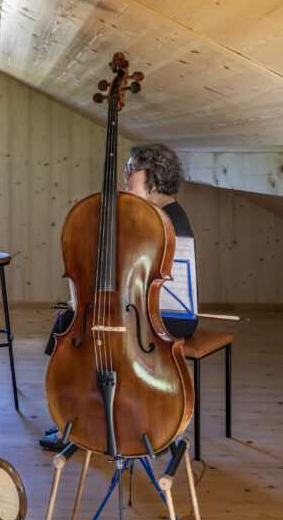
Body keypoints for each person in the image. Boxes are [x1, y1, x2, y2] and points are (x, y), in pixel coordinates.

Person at [40, 142, 197, 451]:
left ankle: (86, 418)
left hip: (166, 317)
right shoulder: (157, 212)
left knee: (80, 324)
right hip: (146, 310)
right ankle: (86, 414)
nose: (125, 176)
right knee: (72, 319)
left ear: (152, 175)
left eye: (130, 170)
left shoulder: (164, 221)